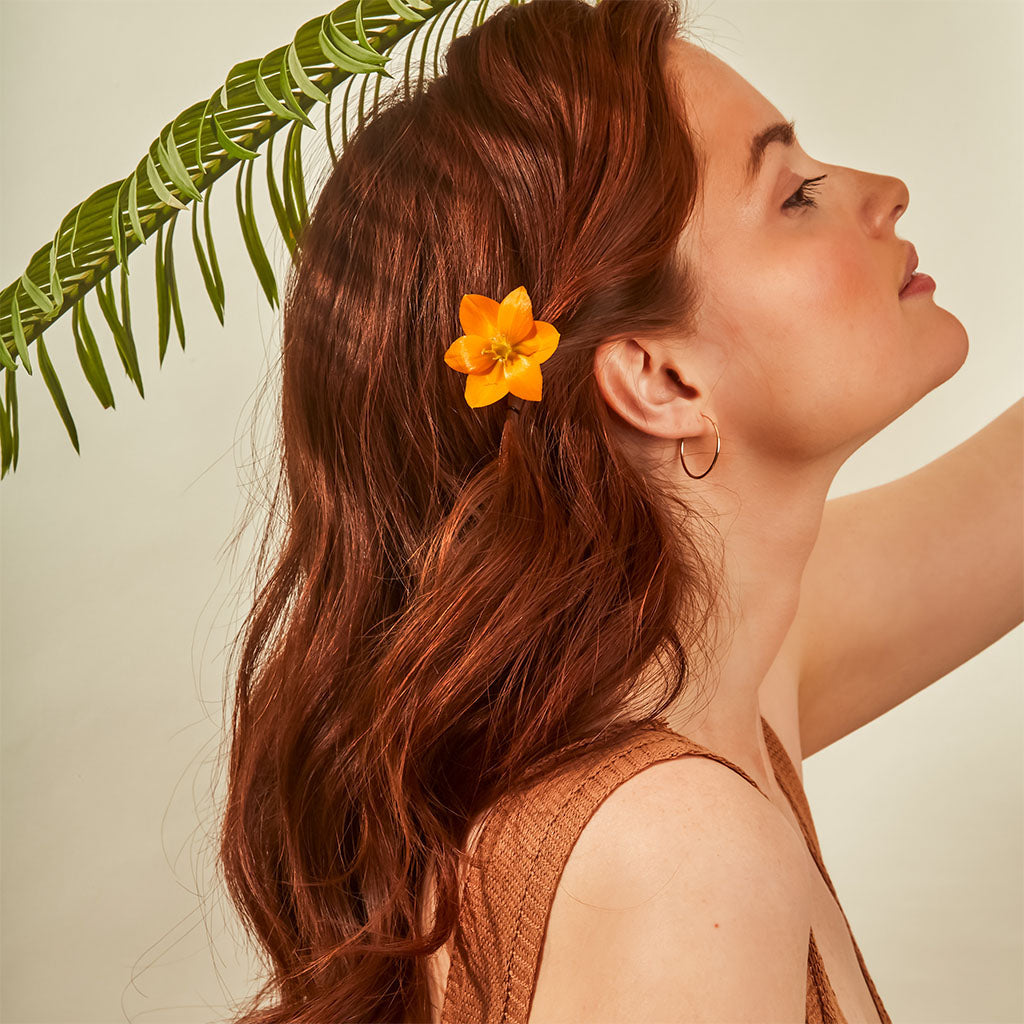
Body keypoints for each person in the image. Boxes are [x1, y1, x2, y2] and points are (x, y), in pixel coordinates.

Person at [217, 2, 1023, 1022]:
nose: (883, 194)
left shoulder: (704, 670)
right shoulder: (676, 855)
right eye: (795, 194)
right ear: (657, 377)